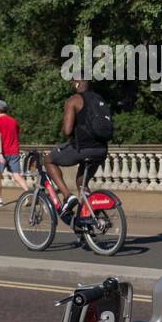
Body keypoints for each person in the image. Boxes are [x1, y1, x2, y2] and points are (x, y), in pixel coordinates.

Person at [43, 72, 111, 224]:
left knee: (48, 160)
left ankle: (68, 197)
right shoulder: (99, 99)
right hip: (101, 150)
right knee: (82, 183)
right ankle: (89, 221)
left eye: (72, 82)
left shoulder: (73, 101)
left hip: (82, 148)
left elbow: (67, 131)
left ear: (78, 83)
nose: (71, 85)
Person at [0, 100, 29, 206]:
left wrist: (1, 153)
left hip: (2, 153)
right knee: (17, 175)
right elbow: (16, 134)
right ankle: (28, 194)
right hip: (14, 152)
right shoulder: (13, 121)